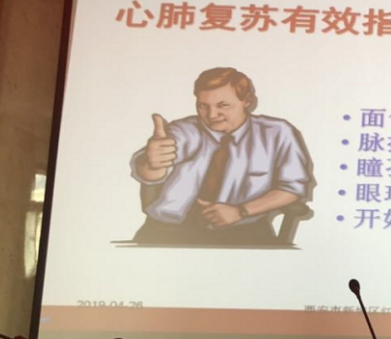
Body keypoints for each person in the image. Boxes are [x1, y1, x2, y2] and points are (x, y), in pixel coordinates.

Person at [130, 67, 315, 246]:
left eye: (223, 105)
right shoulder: (184, 130)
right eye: (203, 106)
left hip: (245, 232)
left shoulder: (278, 133)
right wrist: (152, 166)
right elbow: (151, 168)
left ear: (247, 101)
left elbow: (292, 189)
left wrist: (241, 211)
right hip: (168, 232)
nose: (211, 115)